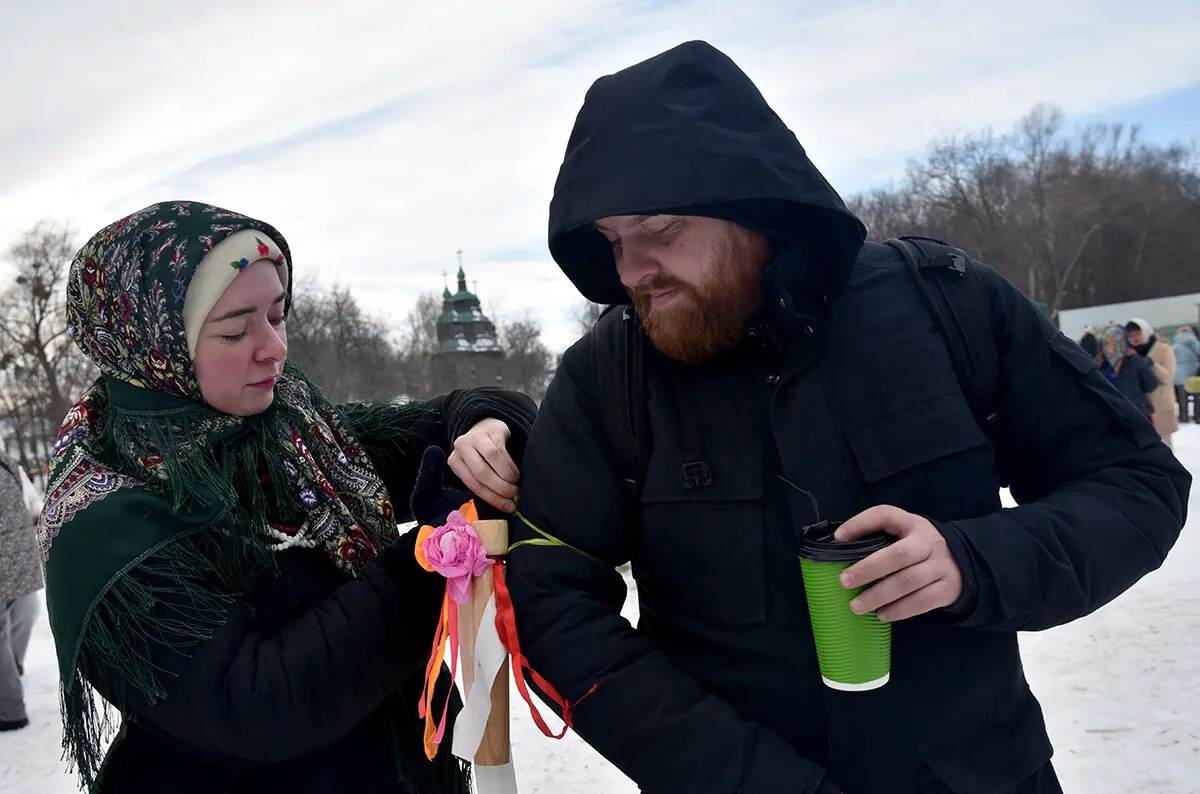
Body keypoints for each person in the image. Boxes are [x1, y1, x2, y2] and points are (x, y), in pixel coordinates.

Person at [505, 41, 1191, 794]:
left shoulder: (948, 306)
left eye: (658, 230)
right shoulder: (606, 377)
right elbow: (551, 601)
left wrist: (974, 560)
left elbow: (1134, 484)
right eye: (611, 241)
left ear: (748, 200)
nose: (629, 270)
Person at [39, 202, 537, 794]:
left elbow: (447, 421)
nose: (273, 348)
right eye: (235, 329)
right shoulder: (105, 518)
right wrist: (431, 560)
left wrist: (488, 429)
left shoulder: (296, 430)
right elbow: (257, 706)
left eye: (278, 316)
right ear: (151, 345)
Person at [0, 449, 43, 732]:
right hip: (18, 555)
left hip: (17, 555)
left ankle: (9, 709)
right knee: (24, 611)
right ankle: (10, 696)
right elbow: (33, 505)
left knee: (26, 611)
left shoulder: (6, 461)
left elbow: (33, 506)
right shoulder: (6, 461)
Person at [1126, 318, 1179, 448]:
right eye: (1131, 335)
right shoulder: (1129, 354)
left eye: (1137, 333)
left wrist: (1151, 363)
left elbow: (1168, 376)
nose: (1135, 338)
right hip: (1140, 408)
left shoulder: (1163, 348)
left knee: (1165, 449)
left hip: (1160, 405)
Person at [1098, 324, 1158, 422]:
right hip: (1138, 414)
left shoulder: (1099, 365)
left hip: (1110, 417)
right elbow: (1151, 384)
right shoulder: (1134, 359)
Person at [1172, 325, 1200, 423]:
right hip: (1193, 372)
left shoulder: (1175, 345)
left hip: (1179, 374)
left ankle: (1183, 417)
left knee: (1182, 397)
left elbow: (1171, 358)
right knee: (1196, 395)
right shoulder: (1195, 342)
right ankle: (1197, 417)